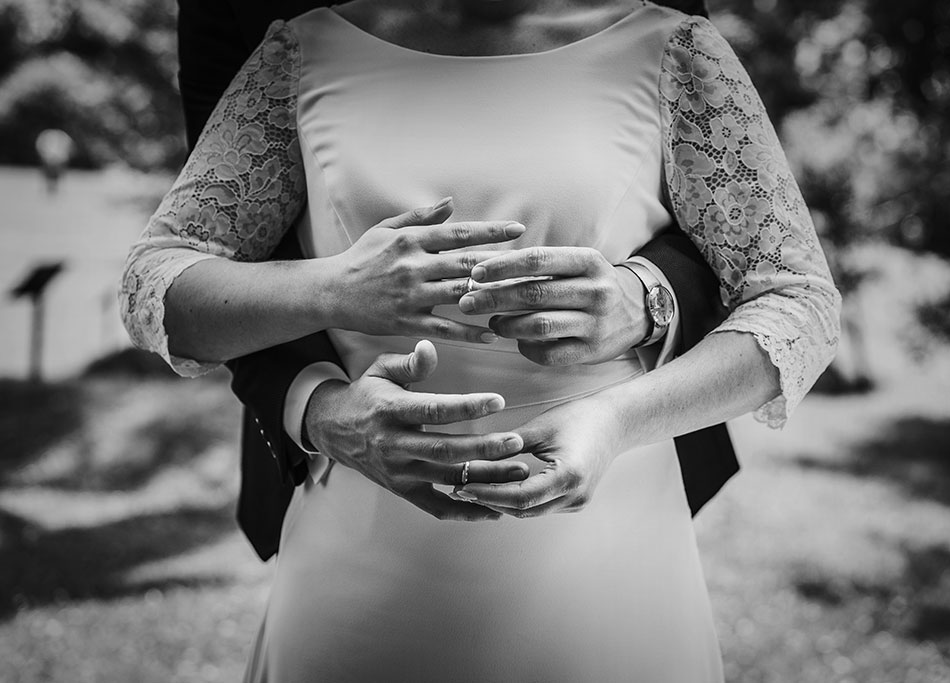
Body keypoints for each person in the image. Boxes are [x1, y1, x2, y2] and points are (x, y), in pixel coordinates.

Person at [121, 0, 841, 679]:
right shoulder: (303, 51)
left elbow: (796, 300)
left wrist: (618, 415)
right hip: (359, 564)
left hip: (607, 566)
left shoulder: (671, 50)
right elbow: (157, 280)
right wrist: (336, 289)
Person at [175, 0, 739, 561]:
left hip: (619, 496)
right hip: (353, 506)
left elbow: (746, 247)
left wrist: (646, 298)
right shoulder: (296, 46)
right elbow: (214, 255)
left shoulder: (664, 40)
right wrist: (318, 406)